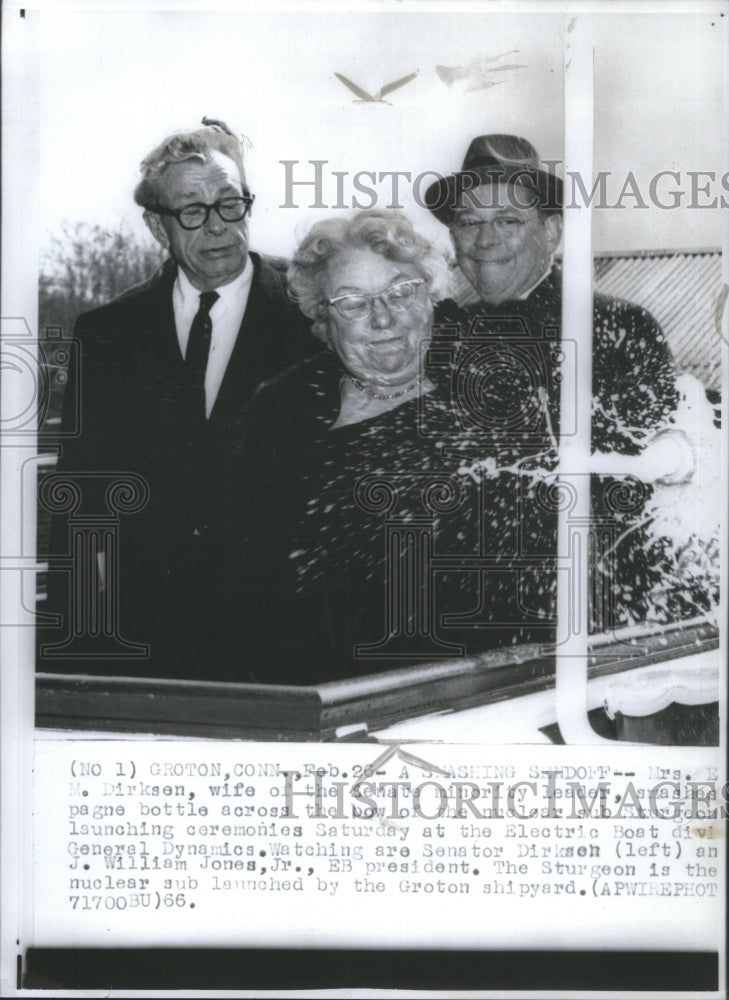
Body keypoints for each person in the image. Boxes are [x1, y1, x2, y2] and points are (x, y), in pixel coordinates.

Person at [225, 210, 575, 684]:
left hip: (481, 691)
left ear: (431, 298)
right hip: (323, 700)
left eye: (401, 292)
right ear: (324, 320)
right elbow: (242, 593)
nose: (383, 318)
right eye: (353, 302)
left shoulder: (499, 405)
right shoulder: (274, 419)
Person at [40, 119, 319, 679]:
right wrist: (81, 647)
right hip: (152, 640)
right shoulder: (107, 333)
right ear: (155, 225)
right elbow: (80, 498)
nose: (217, 227)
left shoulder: (314, 312)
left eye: (229, 204)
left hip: (290, 640)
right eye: (192, 211)